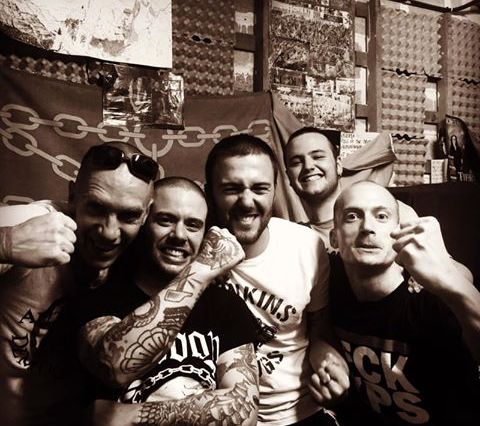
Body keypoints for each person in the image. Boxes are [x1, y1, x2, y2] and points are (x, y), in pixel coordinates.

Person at [75, 177, 260, 426]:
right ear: (143, 223)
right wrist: (200, 272)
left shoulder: (224, 304)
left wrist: (127, 416)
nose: (179, 235)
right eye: (165, 220)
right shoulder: (100, 295)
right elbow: (115, 367)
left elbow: (244, 409)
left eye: (193, 225)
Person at [0, 141, 158, 426]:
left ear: (146, 214)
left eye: (128, 216)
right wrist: (6, 243)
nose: (109, 232)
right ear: (72, 195)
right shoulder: (32, 222)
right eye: (96, 208)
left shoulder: (146, 251)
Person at [204, 134, 349, 425]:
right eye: (231, 189)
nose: (247, 202)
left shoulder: (306, 246)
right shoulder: (188, 248)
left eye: (260, 188)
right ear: (210, 193)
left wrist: (329, 360)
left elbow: (318, 328)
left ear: (274, 190)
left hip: (301, 413)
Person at [329, 180, 480, 425]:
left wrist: (451, 280)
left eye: (381, 216)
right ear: (334, 238)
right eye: (352, 216)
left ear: (399, 234)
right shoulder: (328, 285)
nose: (367, 227)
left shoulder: (428, 295)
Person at [283, 127, 418, 250]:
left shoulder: (391, 213)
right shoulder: (292, 239)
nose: (308, 166)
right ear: (288, 176)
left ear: (338, 166)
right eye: (296, 162)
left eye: (318, 157)